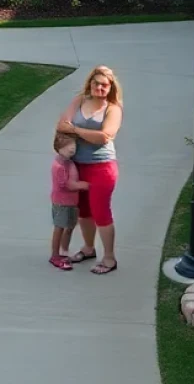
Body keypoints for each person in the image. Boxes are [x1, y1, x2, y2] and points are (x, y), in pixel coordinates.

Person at [56, 65, 123, 275]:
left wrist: (75, 130)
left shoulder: (113, 108)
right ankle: (88, 248)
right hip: (76, 166)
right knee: (84, 212)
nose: (100, 88)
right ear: (90, 83)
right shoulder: (79, 100)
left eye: (105, 85)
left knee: (100, 211)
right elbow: (61, 125)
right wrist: (87, 134)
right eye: (96, 83)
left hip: (102, 167)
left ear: (110, 87)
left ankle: (110, 258)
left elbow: (104, 136)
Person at [49, 131, 88, 270]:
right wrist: (84, 185)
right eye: (67, 146)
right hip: (61, 202)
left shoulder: (68, 161)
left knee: (70, 226)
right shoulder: (59, 166)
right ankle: (55, 255)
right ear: (59, 148)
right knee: (59, 227)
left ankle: (64, 251)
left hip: (72, 202)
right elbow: (66, 185)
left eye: (73, 145)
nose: (72, 148)